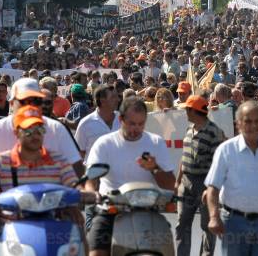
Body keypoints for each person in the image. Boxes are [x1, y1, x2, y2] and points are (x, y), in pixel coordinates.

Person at [0, 78, 83, 256]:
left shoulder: (56, 136)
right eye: (24, 101)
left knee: (77, 222)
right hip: (4, 214)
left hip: (53, 212)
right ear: (12, 104)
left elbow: (77, 176)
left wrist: (83, 194)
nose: (34, 136)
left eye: (35, 100)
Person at [85, 97, 176, 256]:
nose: (137, 128)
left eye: (141, 124)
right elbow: (90, 178)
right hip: (111, 209)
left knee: (166, 250)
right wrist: (93, 193)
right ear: (121, 120)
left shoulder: (155, 142)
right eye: (132, 124)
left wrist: (154, 168)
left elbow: (170, 185)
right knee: (95, 253)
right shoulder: (104, 143)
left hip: (149, 209)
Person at [205, 101, 258, 255]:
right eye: (248, 121)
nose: (253, 126)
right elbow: (212, 188)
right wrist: (214, 217)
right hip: (234, 224)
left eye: (257, 121)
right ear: (238, 124)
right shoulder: (226, 150)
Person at [175, 96, 226, 256]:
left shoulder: (215, 132)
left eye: (187, 109)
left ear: (193, 111)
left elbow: (219, 164)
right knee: (182, 224)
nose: (185, 112)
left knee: (207, 226)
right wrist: (178, 182)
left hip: (205, 184)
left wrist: (211, 189)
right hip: (186, 183)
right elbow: (184, 159)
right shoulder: (190, 129)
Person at [74, 84, 120, 159]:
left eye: (117, 96)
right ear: (102, 101)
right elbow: (78, 154)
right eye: (113, 97)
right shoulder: (85, 124)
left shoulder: (124, 120)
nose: (118, 100)